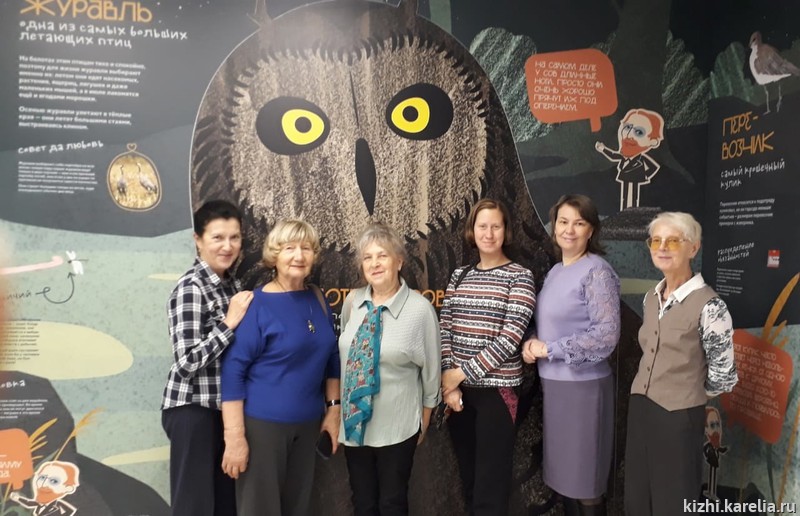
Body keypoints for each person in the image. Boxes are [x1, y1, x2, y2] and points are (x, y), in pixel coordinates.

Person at [220, 219, 340, 516]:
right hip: (263, 430)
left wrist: (334, 410)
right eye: (289, 248)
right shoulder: (256, 305)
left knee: (298, 509)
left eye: (306, 248)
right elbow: (233, 373)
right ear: (274, 255)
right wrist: (234, 437)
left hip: (309, 426)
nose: (299, 256)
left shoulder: (317, 298)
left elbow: (332, 358)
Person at [624, 212, 737, 516]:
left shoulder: (710, 306)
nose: (662, 247)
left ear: (693, 248)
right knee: (637, 498)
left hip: (679, 417)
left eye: (673, 241)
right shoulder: (651, 298)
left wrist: (687, 394)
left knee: (673, 502)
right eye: (656, 240)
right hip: (641, 409)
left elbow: (723, 377)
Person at [521, 194, 620, 516]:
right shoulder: (555, 272)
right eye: (563, 222)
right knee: (566, 482)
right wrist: (533, 342)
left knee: (586, 484)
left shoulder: (597, 272)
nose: (569, 229)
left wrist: (550, 349)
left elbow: (606, 335)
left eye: (579, 223)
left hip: (585, 391)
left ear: (591, 230)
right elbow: (550, 324)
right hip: (555, 387)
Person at [440, 198, 536, 516]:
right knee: (468, 481)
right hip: (459, 395)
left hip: (498, 392)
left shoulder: (520, 276)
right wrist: (450, 382)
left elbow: (510, 339)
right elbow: (445, 328)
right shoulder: (459, 275)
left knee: (490, 486)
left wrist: (459, 374)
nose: (489, 233)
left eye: (496, 226)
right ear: (472, 230)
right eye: (483, 226)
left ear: (506, 231)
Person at [338, 223, 441, 516]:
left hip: (398, 426)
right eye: (367, 258)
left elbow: (432, 370)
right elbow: (346, 354)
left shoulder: (420, 309)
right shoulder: (352, 302)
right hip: (356, 425)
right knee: (363, 503)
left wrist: (424, 419)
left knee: (392, 504)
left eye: (382, 256)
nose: (375, 264)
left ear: (399, 261)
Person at [160, 199, 253, 516]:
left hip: (223, 412)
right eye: (218, 237)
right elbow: (186, 362)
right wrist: (229, 323)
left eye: (234, 237)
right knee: (194, 505)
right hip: (193, 410)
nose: (228, 246)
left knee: (225, 504)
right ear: (198, 240)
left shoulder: (231, 284)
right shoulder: (191, 287)